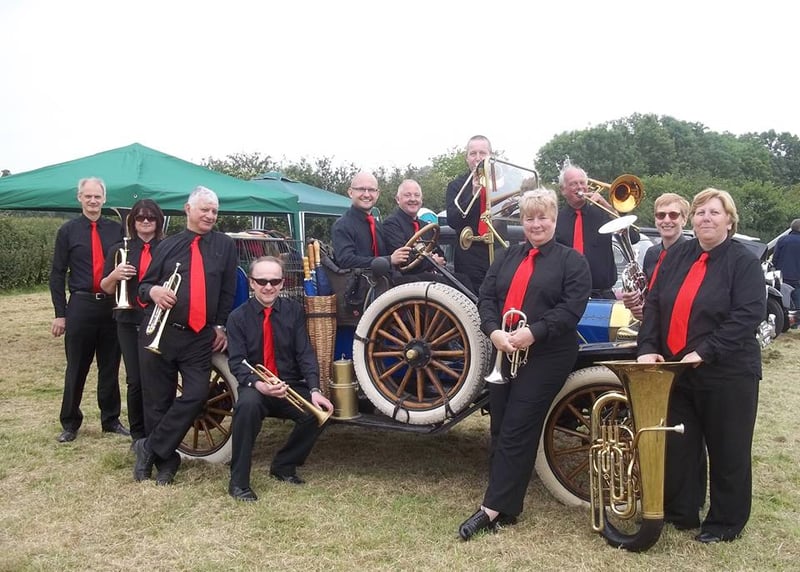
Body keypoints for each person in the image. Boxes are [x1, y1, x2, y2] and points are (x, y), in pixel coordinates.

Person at [459, 188, 591, 540]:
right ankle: (507, 507)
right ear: (522, 221)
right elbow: (487, 297)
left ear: (555, 219)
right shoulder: (507, 256)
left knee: (518, 426)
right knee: (501, 426)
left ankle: (490, 508)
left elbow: (571, 308)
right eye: (529, 218)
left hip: (547, 354)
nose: (536, 224)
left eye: (543, 217)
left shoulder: (572, 261)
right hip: (505, 351)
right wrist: (493, 331)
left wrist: (534, 332)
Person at [637, 188, 765, 543]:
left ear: (729, 221)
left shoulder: (743, 263)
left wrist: (705, 351)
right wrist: (647, 347)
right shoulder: (677, 255)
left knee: (728, 449)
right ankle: (682, 511)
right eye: (700, 212)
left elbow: (747, 315)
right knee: (681, 445)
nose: (706, 218)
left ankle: (725, 523)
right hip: (678, 370)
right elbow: (654, 304)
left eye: (714, 212)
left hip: (727, 371)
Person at [133, 186, 238, 485]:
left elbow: (228, 289)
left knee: (195, 396)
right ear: (188, 209)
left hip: (199, 337)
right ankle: (167, 463)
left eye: (214, 211)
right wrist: (154, 291)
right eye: (204, 209)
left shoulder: (225, 246)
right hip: (162, 332)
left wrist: (220, 326)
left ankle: (149, 447)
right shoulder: (167, 246)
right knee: (158, 402)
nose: (210, 215)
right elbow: (143, 286)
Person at [226, 256, 334, 501]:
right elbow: (237, 362)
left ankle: (284, 466)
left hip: (287, 385)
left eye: (274, 281)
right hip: (256, 386)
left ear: (282, 283)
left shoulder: (294, 311)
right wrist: (259, 385)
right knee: (246, 407)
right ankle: (239, 482)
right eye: (262, 281)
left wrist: (315, 390)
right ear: (251, 283)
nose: (268, 287)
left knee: (319, 413)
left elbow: (305, 353)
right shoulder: (237, 318)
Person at [49, 177, 126, 443]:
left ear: (104, 199)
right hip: (81, 305)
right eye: (88, 196)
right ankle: (70, 422)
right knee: (77, 366)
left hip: (111, 305)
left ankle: (111, 420)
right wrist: (60, 313)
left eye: (97, 196)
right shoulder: (67, 231)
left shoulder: (116, 230)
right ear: (79, 198)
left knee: (110, 366)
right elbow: (57, 274)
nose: (93, 201)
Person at [100, 199, 165, 441]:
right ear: (133, 222)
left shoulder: (168, 248)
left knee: (158, 379)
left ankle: (159, 431)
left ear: (158, 221)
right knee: (135, 380)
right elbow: (106, 288)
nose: (145, 221)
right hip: (127, 320)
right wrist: (115, 275)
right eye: (140, 217)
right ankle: (138, 436)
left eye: (151, 217)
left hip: (158, 320)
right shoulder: (119, 249)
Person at [554, 164, 638, 299]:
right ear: (563, 190)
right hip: (566, 295)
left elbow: (634, 237)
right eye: (573, 184)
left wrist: (607, 206)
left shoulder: (603, 212)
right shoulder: (555, 219)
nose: (580, 187)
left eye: (582, 183)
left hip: (602, 294)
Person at [446, 135, 500, 295]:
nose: (478, 158)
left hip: (498, 251)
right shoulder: (455, 186)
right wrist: (473, 194)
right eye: (473, 153)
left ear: (491, 156)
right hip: (469, 255)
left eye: (482, 153)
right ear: (467, 158)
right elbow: (453, 220)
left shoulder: (501, 183)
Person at [623, 193, 690, 319]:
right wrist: (633, 301)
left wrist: (650, 311)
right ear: (656, 220)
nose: (666, 220)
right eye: (661, 215)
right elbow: (646, 293)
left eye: (673, 215)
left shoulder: (693, 254)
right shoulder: (652, 253)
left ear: (684, 220)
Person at [331, 171, 411, 270]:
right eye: (361, 189)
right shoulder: (342, 225)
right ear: (351, 192)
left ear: (377, 194)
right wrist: (388, 260)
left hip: (386, 277)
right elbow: (346, 261)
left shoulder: (378, 225)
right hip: (360, 279)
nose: (366, 194)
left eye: (371, 190)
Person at [772, 218, 800, 309]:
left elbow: (775, 259)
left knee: (782, 304)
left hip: (782, 278)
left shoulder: (782, 240)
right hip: (797, 279)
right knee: (797, 306)